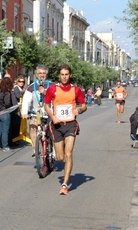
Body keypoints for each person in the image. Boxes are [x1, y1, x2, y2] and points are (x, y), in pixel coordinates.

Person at [44, 64, 87, 195]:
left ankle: (64, 184)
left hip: (70, 124)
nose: (64, 77)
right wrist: (52, 117)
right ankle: (52, 147)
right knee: (60, 158)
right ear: (59, 76)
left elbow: (84, 106)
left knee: (68, 154)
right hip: (57, 125)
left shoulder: (76, 90)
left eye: (66, 74)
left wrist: (79, 110)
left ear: (70, 75)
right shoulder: (53, 89)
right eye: (62, 74)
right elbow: (46, 105)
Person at [21, 65, 53, 157]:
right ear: (36, 74)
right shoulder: (31, 87)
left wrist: (46, 92)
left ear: (46, 75)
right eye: (40, 73)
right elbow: (26, 100)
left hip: (49, 112)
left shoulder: (52, 85)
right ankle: (35, 148)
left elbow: (56, 97)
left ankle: (53, 149)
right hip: (37, 113)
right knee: (32, 126)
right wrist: (24, 113)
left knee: (52, 129)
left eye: (44, 73)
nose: (42, 75)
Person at [0, 77, 13, 152]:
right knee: (5, 131)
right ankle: (5, 146)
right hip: (5, 112)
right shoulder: (7, 93)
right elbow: (7, 103)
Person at [9, 74, 25, 146]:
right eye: (20, 81)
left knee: (16, 124)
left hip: (16, 108)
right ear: (17, 82)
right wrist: (23, 92)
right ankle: (14, 139)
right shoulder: (16, 88)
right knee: (15, 124)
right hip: (15, 108)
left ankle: (15, 138)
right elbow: (19, 96)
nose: (21, 83)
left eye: (23, 81)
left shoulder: (18, 88)